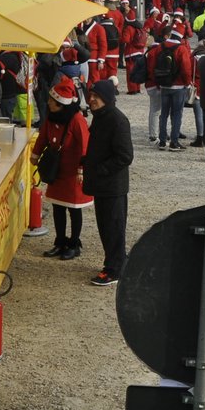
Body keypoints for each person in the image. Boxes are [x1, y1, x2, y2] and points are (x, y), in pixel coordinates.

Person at [82, 79, 134, 288]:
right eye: (91, 95)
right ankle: (116, 261)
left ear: (107, 98)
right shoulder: (100, 117)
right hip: (101, 184)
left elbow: (125, 156)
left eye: (96, 96)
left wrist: (100, 170)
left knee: (113, 227)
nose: (92, 99)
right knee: (106, 227)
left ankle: (114, 269)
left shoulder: (117, 120)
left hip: (112, 186)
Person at [35, 75, 92, 260]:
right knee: (58, 207)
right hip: (56, 170)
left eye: (52, 101)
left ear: (61, 103)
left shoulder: (77, 120)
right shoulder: (51, 117)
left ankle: (74, 243)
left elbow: (85, 145)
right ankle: (59, 242)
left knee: (74, 209)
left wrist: (82, 168)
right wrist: (35, 155)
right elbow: (43, 136)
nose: (48, 103)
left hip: (73, 171)